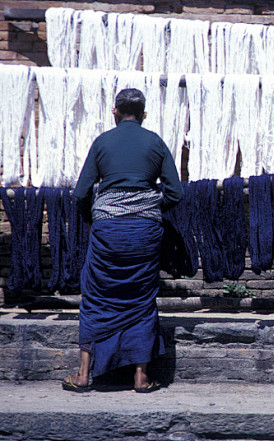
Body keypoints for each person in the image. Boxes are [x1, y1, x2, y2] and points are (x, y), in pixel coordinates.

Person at [63, 88, 184, 393]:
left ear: (114, 112)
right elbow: (175, 193)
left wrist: (97, 218)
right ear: (143, 115)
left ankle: (83, 375)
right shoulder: (155, 142)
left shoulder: (103, 142)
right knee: (142, 300)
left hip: (108, 233)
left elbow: (81, 194)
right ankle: (141, 378)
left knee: (96, 297)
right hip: (145, 233)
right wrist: (148, 210)